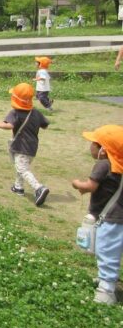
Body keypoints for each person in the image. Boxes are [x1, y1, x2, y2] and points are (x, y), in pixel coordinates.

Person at [71, 125, 123, 305]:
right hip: (118, 218)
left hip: (110, 219)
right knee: (111, 251)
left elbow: (90, 187)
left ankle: (106, 290)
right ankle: (106, 279)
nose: (90, 146)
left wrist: (77, 184)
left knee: (106, 251)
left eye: (94, 143)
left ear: (103, 150)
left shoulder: (103, 164)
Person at [0, 83, 50, 206]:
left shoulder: (15, 112)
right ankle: (18, 187)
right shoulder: (35, 112)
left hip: (21, 146)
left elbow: (9, 125)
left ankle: (39, 187)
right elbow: (45, 125)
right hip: (33, 146)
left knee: (22, 169)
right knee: (20, 166)